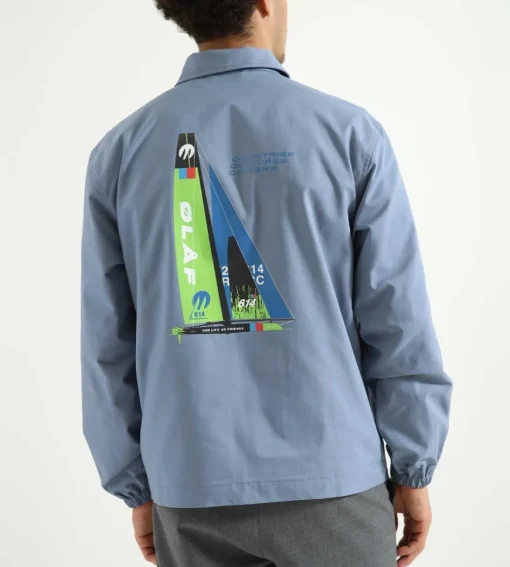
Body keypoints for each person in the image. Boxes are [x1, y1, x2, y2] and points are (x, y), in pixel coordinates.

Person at [80, 1, 453, 566]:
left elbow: (107, 345)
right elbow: (397, 318)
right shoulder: (350, 135)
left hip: (190, 490)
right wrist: (413, 466)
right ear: (263, 3)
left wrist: (136, 486)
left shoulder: (121, 152)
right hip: (335, 486)